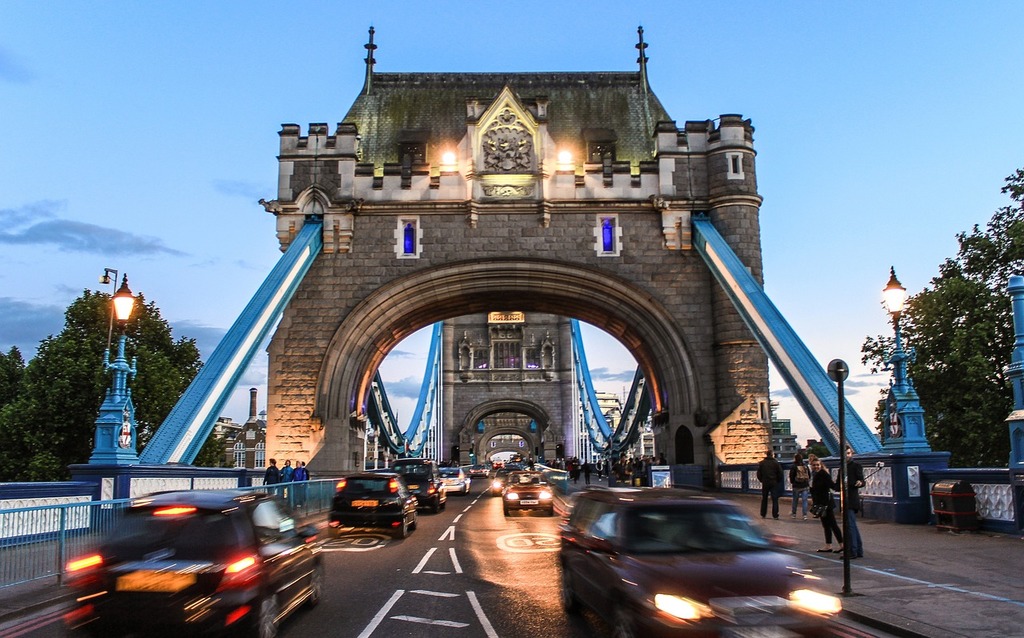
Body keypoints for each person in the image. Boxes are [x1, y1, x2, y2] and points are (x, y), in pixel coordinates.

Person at [809, 455, 843, 553]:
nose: (816, 467)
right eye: (814, 465)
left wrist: (840, 483)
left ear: (821, 465)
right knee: (826, 525)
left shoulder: (823, 474)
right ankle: (828, 545)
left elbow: (832, 486)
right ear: (811, 466)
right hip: (821, 504)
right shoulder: (816, 475)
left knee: (832, 524)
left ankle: (842, 544)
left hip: (826, 504)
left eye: (818, 465)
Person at [844, 446, 865, 559]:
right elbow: (838, 485)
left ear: (851, 454)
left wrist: (859, 482)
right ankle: (858, 550)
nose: (847, 455)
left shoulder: (856, 466)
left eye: (848, 453)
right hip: (845, 499)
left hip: (852, 499)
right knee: (852, 526)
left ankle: (853, 551)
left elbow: (862, 481)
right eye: (845, 453)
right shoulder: (842, 467)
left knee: (850, 526)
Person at [756, 449, 784, 519]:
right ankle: (775, 515)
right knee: (775, 499)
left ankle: (763, 513)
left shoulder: (762, 463)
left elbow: (758, 474)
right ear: (772, 455)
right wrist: (777, 480)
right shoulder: (776, 463)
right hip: (773, 482)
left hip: (765, 482)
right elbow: (780, 474)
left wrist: (762, 480)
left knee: (764, 498)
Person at [789, 452, 811, 519]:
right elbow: (809, 475)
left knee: (795, 500)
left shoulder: (793, 466)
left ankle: (794, 514)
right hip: (805, 485)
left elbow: (791, 476)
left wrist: (793, 482)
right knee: (804, 501)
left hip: (796, 486)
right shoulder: (805, 465)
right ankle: (805, 515)